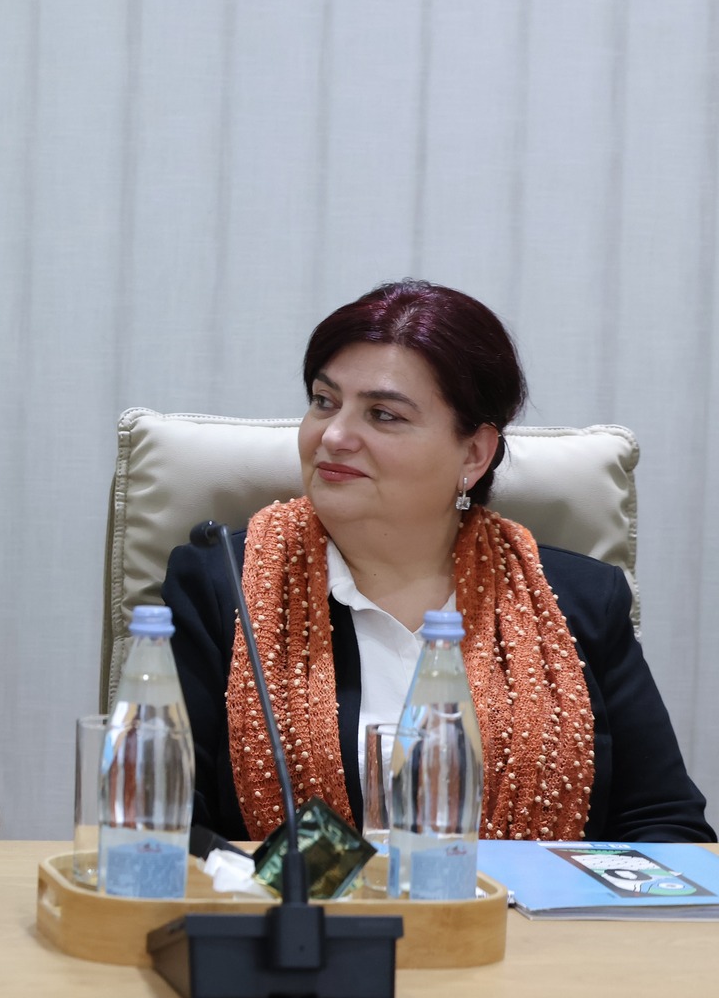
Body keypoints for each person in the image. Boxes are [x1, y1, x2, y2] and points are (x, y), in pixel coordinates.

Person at [164, 279, 711, 843]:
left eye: (383, 414)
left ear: (473, 454)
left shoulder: (581, 601)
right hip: (288, 903)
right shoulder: (221, 582)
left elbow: (667, 827)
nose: (334, 434)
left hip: (523, 905)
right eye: (324, 401)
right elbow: (162, 821)